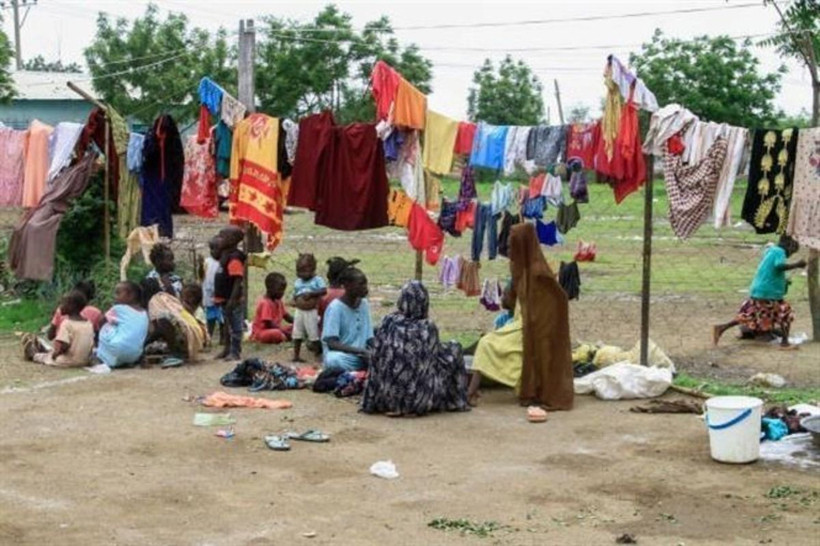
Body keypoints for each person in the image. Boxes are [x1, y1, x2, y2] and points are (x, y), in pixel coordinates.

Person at [466, 223, 574, 410]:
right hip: (521, 323)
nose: (508, 251)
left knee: (486, 344)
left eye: (512, 247)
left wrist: (533, 325)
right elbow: (511, 300)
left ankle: (470, 393)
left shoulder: (538, 274)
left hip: (531, 328)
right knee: (488, 343)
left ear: (522, 247)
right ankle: (472, 392)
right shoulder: (520, 268)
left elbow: (557, 302)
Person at [362, 280, 469, 417]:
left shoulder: (388, 321)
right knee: (455, 348)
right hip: (419, 401)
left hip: (386, 398)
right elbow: (434, 359)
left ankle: (395, 403)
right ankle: (456, 401)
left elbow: (376, 356)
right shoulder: (427, 327)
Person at [713, 235, 807, 349]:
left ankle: (722, 328)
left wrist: (784, 281)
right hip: (769, 292)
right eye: (792, 252)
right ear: (789, 246)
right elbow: (779, 266)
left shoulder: (770, 251)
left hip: (759, 289)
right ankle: (785, 342)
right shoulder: (780, 251)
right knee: (784, 312)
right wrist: (797, 265)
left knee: (751, 314)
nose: (790, 255)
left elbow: (771, 270)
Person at [23, 290, 95, 367]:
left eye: (63, 303)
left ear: (72, 306)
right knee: (53, 353)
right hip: (84, 361)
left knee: (47, 358)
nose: (60, 307)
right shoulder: (88, 324)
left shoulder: (67, 323)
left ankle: (33, 355)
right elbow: (91, 345)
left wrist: (55, 355)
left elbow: (64, 345)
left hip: (67, 361)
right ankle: (42, 350)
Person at [321, 267, 373, 372]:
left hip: (362, 355)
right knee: (333, 360)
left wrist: (375, 350)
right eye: (361, 284)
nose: (365, 288)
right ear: (347, 285)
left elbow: (369, 336)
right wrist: (360, 351)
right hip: (345, 355)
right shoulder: (335, 308)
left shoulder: (364, 304)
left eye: (365, 284)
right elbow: (331, 343)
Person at [145, 283, 209, 364]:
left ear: (192, 298)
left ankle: (175, 353)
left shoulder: (198, 311)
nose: (182, 298)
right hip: (184, 338)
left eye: (186, 296)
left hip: (192, 340)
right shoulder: (180, 307)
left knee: (163, 319)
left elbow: (192, 325)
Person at [96, 281, 150, 369]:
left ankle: (101, 357)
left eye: (118, 293)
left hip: (117, 349)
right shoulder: (144, 313)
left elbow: (101, 321)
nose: (115, 296)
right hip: (134, 355)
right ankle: (126, 361)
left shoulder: (119, 309)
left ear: (131, 296)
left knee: (106, 326)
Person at [213, 226, 246, 360]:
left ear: (232, 240)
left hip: (232, 299)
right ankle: (226, 349)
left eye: (222, 237)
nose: (219, 239)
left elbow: (237, 279)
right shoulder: (225, 254)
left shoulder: (234, 258)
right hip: (224, 297)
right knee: (226, 325)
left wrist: (232, 299)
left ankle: (235, 351)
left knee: (235, 326)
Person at [290, 253, 327, 362]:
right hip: (299, 311)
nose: (300, 274)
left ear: (313, 269)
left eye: (303, 271)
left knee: (313, 334)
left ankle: (318, 354)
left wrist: (311, 294)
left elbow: (324, 290)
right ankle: (296, 355)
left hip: (311, 311)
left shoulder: (317, 280)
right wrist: (294, 300)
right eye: (298, 271)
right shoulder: (298, 282)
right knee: (297, 333)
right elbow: (295, 294)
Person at [318, 257, 359, 332]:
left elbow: (319, 314)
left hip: (327, 332)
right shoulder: (350, 294)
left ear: (328, 275)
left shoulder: (323, 294)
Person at [251, 272, 293, 344]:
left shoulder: (279, 301)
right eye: (280, 290)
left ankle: (287, 335)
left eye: (283, 290)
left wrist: (298, 322)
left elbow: (286, 316)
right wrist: (284, 331)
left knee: (294, 327)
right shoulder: (265, 303)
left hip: (277, 328)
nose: (282, 293)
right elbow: (269, 324)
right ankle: (286, 336)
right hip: (263, 332)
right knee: (277, 333)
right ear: (270, 289)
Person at [202, 236, 224, 339]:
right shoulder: (206, 262)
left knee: (223, 318)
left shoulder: (224, 262)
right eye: (211, 249)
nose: (213, 251)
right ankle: (209, 336)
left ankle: (223, 337)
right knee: (210, 318)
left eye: (216, 249)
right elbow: (202, 276)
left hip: (222, 295)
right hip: (209, 295)